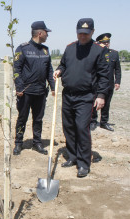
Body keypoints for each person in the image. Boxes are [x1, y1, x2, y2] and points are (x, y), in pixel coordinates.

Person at [53, 18, 109, 178]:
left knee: (81, 128)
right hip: (68, 94)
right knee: (68, 127)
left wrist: (101, 96)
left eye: (86, 33)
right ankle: (72, 156)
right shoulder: (70, 48)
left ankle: (84, 163)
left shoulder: (98, 50)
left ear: (92, 32)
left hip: (86, 96)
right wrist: (59, 70)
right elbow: (63, 65)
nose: (82, 36)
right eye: (80, 33)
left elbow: (104, 76)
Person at [13, 21, 55, 156]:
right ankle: (18, 143)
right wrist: (19, 87)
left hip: (41, 92)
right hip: (25, 92)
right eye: (46, 33)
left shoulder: (45, 50)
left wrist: (53, 87)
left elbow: (49, 70)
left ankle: (37, 143)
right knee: (22, 118)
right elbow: (16, 70)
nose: (47, 35)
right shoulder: (22, 48)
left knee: (38, 119)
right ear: (40, 33)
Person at [90, 33, 121, 131]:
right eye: (104, 42)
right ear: (98, 43)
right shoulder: (95, 53)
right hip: (96, 83)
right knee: (94, 103)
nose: (106, 44)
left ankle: (104, 122)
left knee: (106, 104)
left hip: (109, 84)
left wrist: (117, 81)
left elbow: (118, 69)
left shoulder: (114, 53)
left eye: (107, 42)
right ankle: (93, 121)